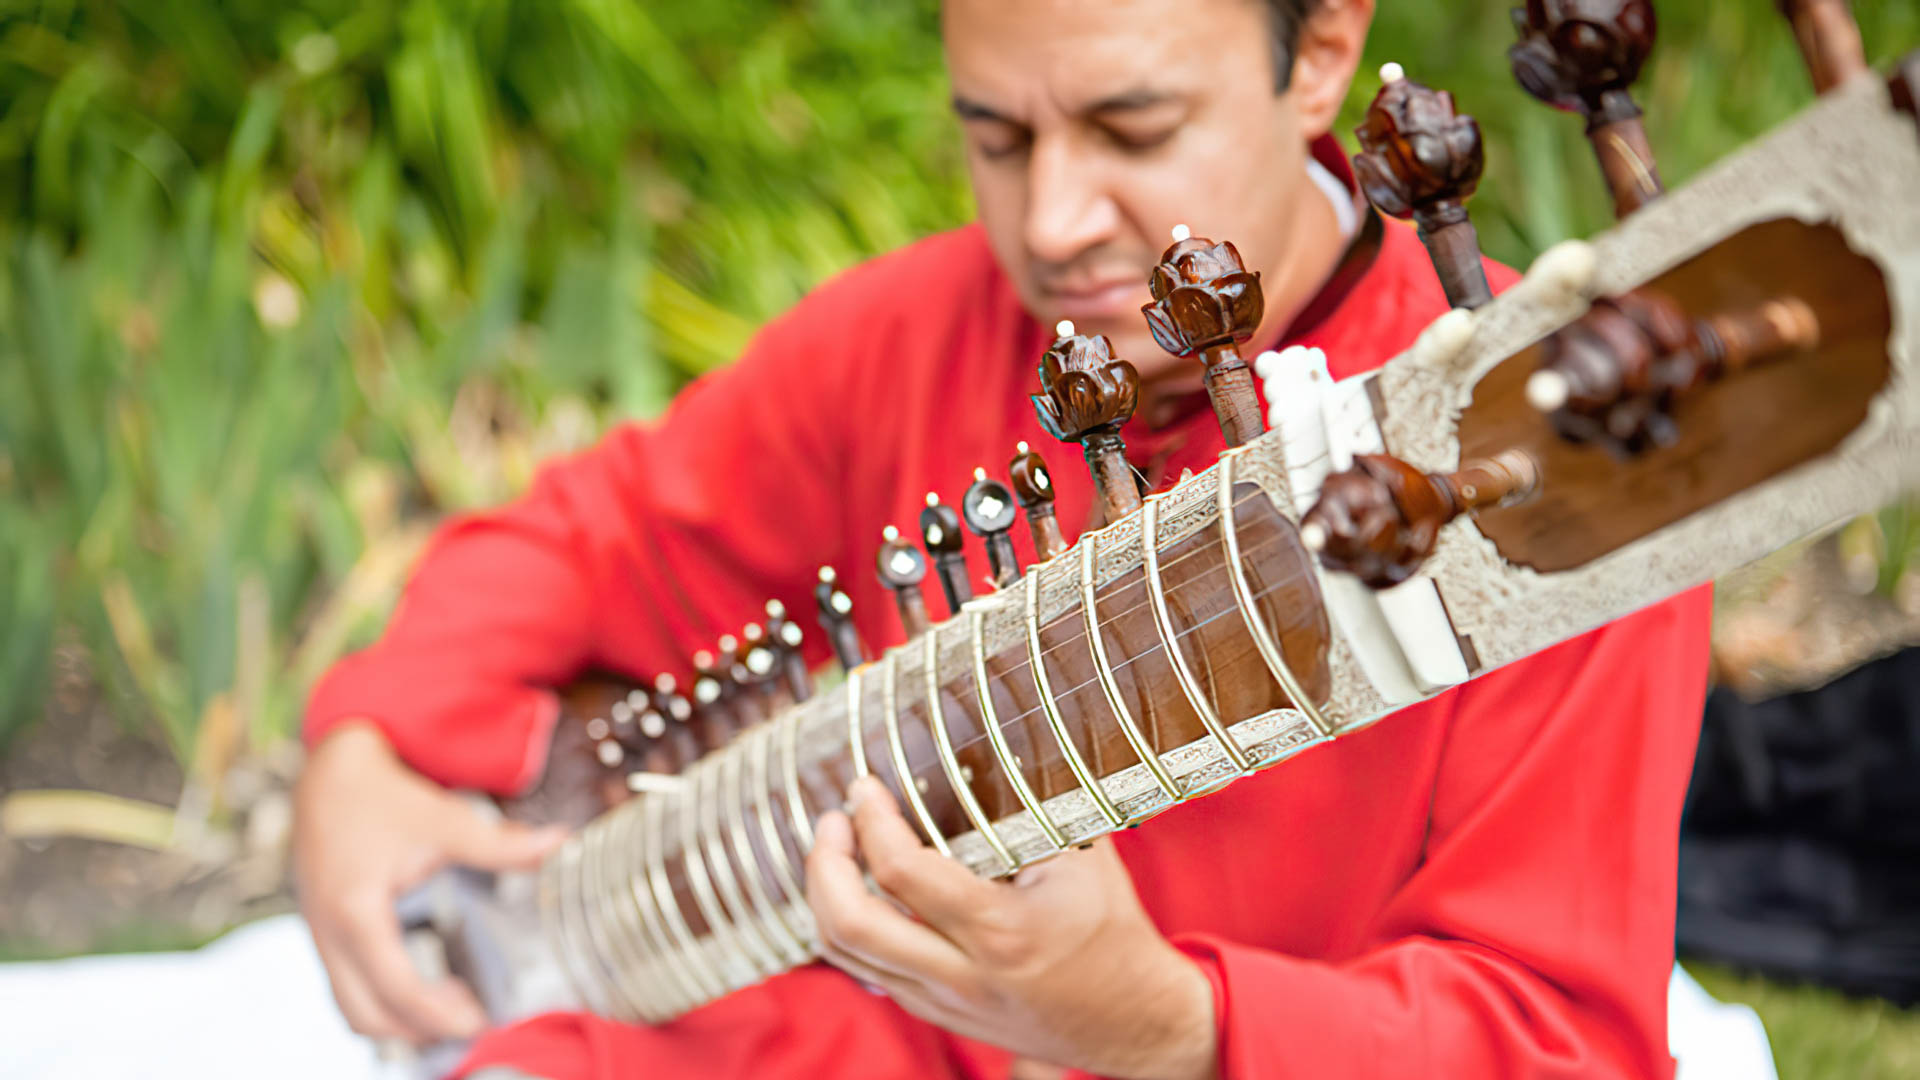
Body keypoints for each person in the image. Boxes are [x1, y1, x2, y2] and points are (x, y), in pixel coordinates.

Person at [294, 0, 1714, 1077]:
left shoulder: (1542, 461)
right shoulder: (927, 325)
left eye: (1134, 130)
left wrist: (1172, 1027)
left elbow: (1555, 1041)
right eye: (996, 136)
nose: (1051, 222)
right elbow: (594, 534)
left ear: (1325, 49)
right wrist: (362, 748)